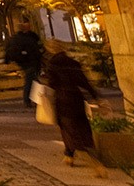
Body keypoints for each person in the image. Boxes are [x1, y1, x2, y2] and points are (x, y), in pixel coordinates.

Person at [42, 39, 107, 176]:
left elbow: (52, 83)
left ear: (51, 49)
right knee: (79, 127)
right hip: (77, 99)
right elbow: (85, 82)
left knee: (70, 131)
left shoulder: (53, 64)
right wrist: (96, 97)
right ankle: (69, 155)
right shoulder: (73, 63)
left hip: (63, 99)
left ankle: (97, 166)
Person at [4, 19, 45, 108]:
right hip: (29, 62)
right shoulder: (25, 38)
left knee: (33, 79)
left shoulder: (28, 37)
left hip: (31, 61)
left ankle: (35, 99)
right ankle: (31, 100)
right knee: (31, 80)